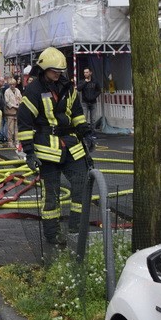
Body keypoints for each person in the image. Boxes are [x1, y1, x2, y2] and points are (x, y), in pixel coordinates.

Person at [17, 47, 94, 245]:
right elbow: (24, 123)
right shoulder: (33, 91)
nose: (58, 74)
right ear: (43, 69)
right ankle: (52, 234)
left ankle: (76, 229)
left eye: (60, 71)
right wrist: (29, 153)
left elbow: (76, 114)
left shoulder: (69, 88)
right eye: (54, 71)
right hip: (46, 148)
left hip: (71, 145)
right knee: (51, 193)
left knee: (81, 183)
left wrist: (86, 132)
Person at [3, 76, 22, 149]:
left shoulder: (18, 90)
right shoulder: (7, 91)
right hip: (10, 112)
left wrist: (19, 104)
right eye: (11, 84)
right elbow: (7, 102)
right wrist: (14, 106)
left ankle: (17, 141)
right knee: (10, 128)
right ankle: (10, 142)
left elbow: (21, 98)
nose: (12, 86)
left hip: (17, 112)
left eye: (13, 84)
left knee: (17, 128)